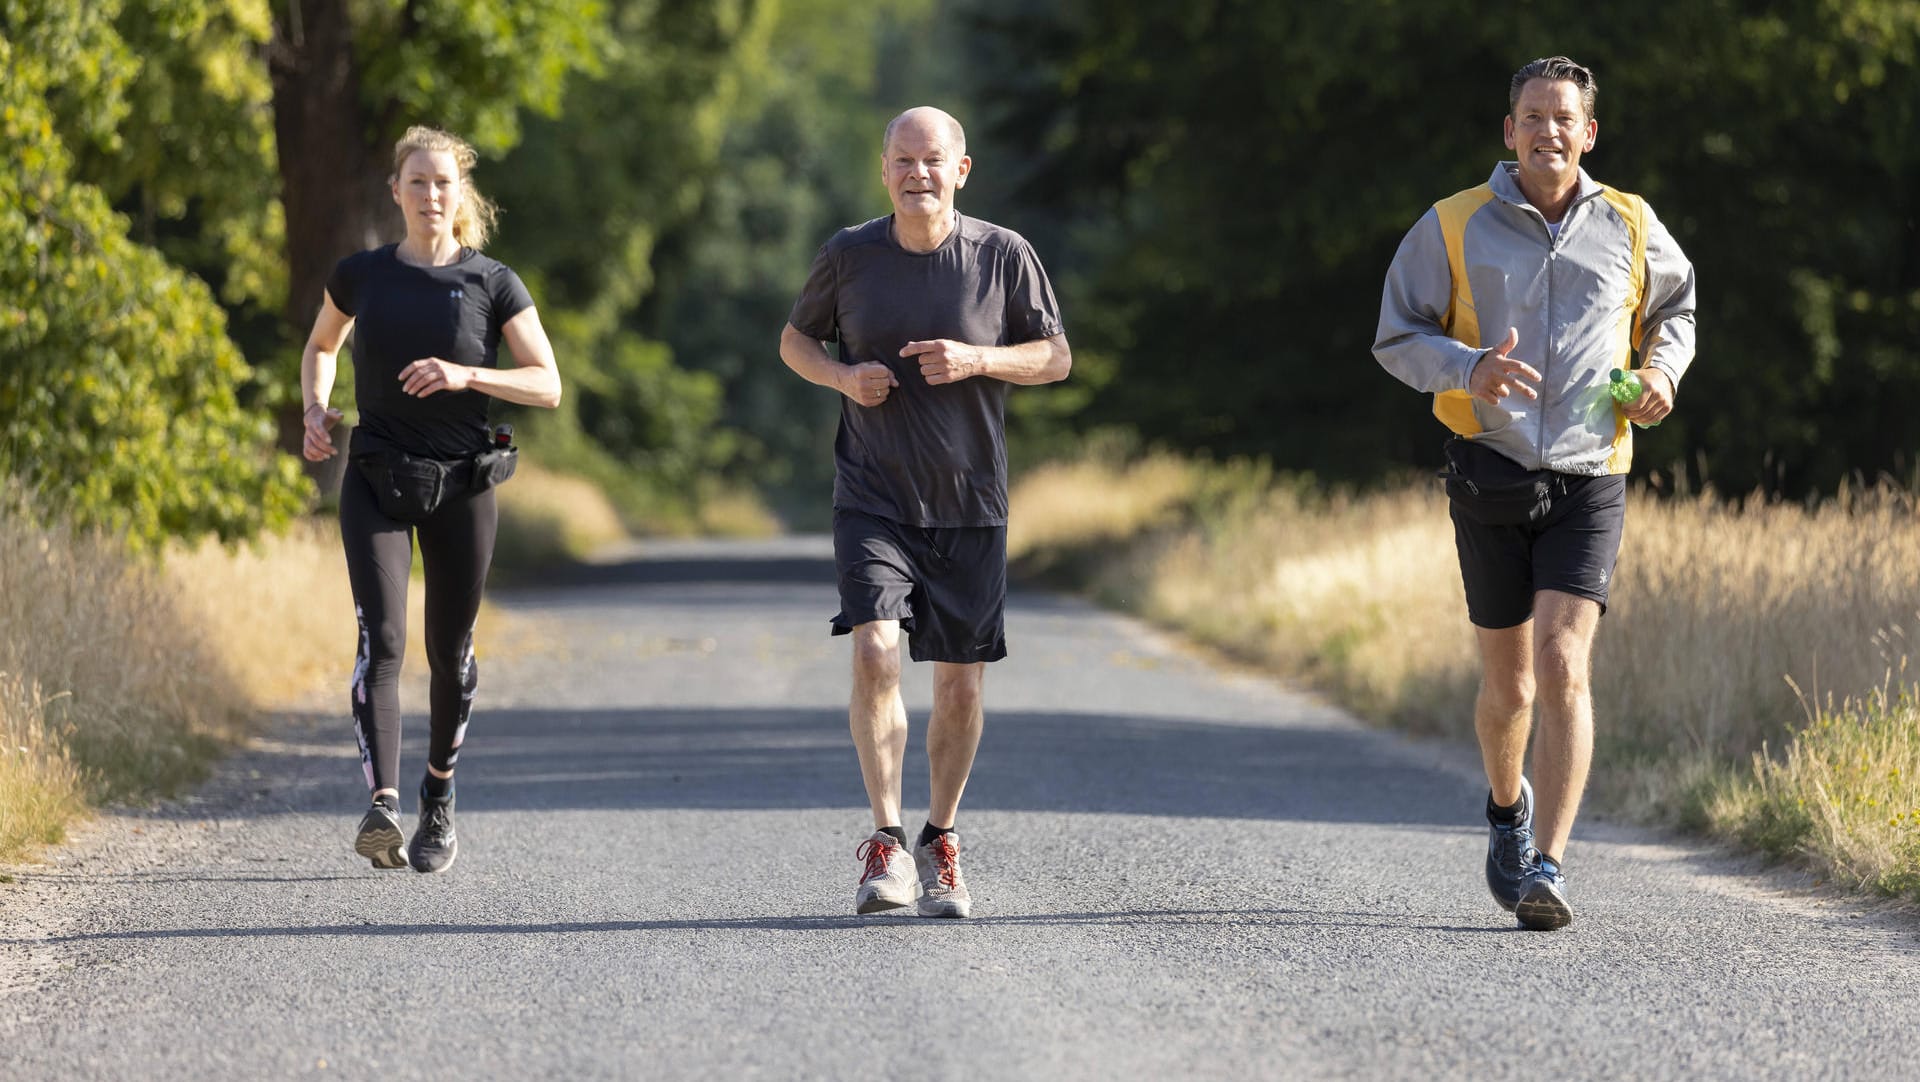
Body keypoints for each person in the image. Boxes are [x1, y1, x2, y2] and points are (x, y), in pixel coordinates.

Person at [1373, 57, 1696, 929]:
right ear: (1508, 130)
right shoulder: (1451, 225)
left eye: (1564, 118)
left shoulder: (1630, 222)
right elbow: (1396, 335)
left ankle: (1549, 866)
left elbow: (1678, 309)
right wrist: (1470, 367)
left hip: (1594, 472)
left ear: (1589, 133)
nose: (1548, 130)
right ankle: (1506, 813)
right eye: (1532, 116)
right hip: (1491, 470)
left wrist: (1662, 369)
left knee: (1562, 660)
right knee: (1508, 687)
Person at [779, 106, 1071, 918]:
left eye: (933, 160)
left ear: (961, 169)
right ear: (883, 170)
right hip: (873, 495)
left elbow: (1056, 356)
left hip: (971, 501)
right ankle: (885, 842)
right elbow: (796, 341)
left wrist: (977, 358)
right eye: (903, 160)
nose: (918, 175)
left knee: (959, 690)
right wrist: (843, 379)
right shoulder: (849, 255)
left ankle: (940, 839)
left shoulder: (1003, 255)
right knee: (875, 651)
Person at [299, 126, 562, 873]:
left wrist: (467, 375)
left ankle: (437, 798)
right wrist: (315, 411)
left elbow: (547, 383)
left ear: (460, 195)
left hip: (462, 486)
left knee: (448, 653)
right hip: (375, 478)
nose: (430, 196)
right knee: (381, 642)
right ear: (396, 192)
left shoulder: (492, 282)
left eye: (443, 183)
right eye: (417, 182)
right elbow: (322, 345)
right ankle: (383, 802)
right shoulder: (361, 275)